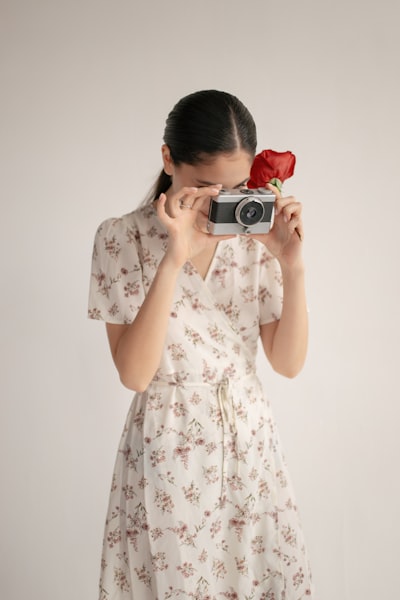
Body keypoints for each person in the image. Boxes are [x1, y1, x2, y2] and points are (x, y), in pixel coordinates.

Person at [88, 89, 313, 599]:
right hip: (169, 448)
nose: (220, 201)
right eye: (204, 185)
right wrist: (174, 258)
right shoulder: (121, 239)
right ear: (168, 158)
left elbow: (288, 363)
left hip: (250, 442)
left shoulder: (256, 240)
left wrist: (292, 267)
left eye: (235, 186)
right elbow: (135, 375)